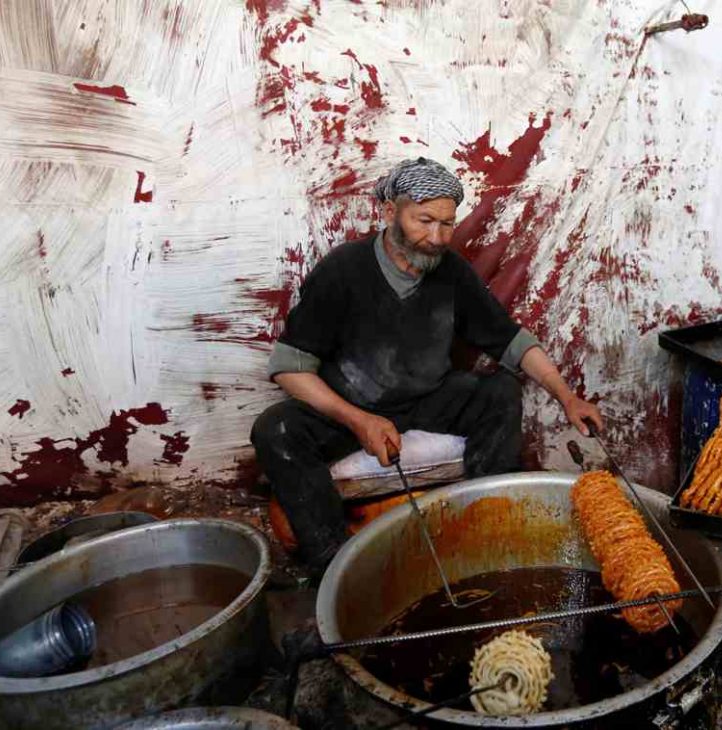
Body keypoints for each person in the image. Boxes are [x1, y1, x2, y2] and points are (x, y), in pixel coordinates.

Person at [251, 157, 602, 574]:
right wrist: (359, 420)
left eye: (447, 224)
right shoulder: (343, 270)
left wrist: (566, 397)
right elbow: (289, 367)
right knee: (275, 429)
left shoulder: (450, 272)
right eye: (424, 221)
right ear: (388, 213)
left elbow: (510, 340)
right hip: (349, 406)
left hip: (428, 398)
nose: (436, 238)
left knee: (501, 391)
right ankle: (335, 566)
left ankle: (486, 528)